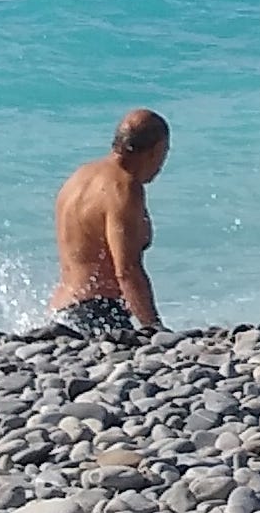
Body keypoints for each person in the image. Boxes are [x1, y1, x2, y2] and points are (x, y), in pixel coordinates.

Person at [49, 108, 171, 342]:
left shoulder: (80, 176)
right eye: (165, 152)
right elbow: (126, 270)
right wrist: (154, 328)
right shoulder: (123, 189)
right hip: (96, 313)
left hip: (62, 311)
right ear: (156, 150)